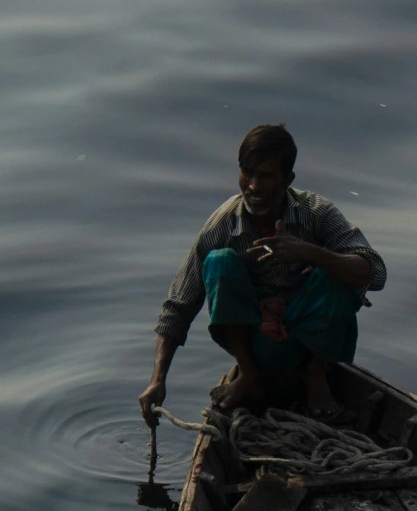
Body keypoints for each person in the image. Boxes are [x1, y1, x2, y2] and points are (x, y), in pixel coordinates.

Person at [138, 124, 386, 427]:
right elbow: (179, 304)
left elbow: (375, 273)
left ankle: (315, 374)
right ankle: (249, 373)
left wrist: (309, 252)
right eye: (247, 173)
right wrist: (157, 380)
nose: (253, 186)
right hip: (257, 343)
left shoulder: (317, 213)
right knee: (219, 262)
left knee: (337, 269)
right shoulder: (223, 223)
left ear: (287, 180)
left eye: (266, 175)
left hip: (311, 341)